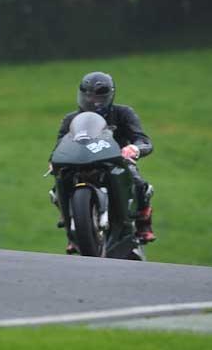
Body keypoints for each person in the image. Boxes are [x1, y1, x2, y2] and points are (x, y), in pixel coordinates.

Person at [50, 71, 155, 254]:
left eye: (98, 97)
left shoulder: (123, 113)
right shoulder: (70, 119)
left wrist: (134, 149)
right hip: (79, 160)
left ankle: (143, 222)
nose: (92, 101)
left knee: (138, 182)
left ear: (110, 96)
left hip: (115, 159)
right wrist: (54, 160)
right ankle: (71, 228)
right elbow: (60, 144)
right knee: (57, 186)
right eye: (88, 96)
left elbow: (143, 140)